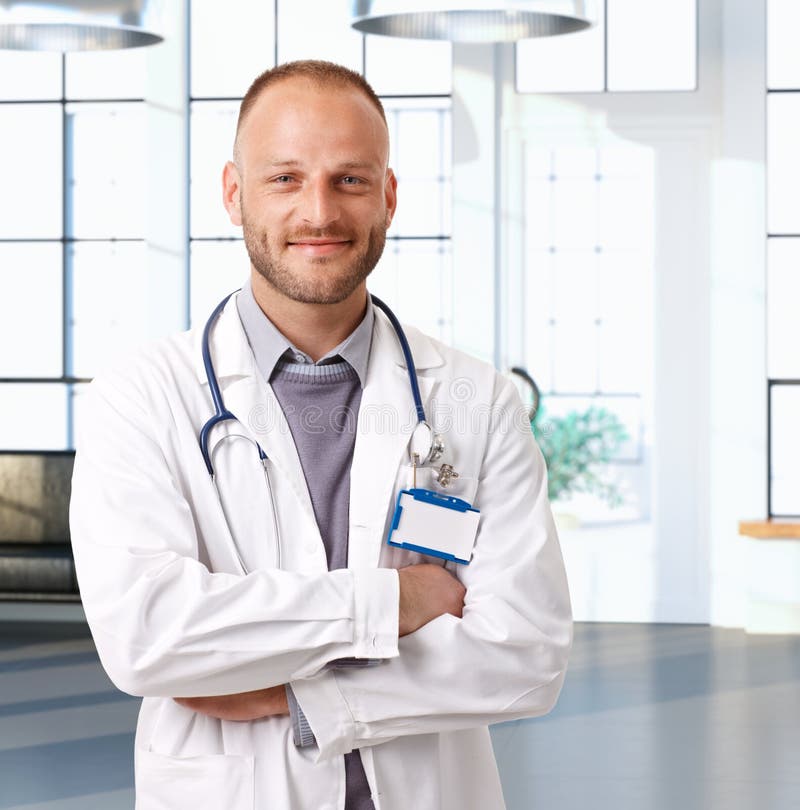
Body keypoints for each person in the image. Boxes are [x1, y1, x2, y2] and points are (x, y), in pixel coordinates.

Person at [69, 59, 572, 810]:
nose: (319, 213)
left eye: (350, 180)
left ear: (389, 196)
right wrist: (392, 603)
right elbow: (148, 636)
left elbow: (525, 653)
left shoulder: (474, 400)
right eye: (285, 179)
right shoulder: (141, 396)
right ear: (234, 194)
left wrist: (304, 699)